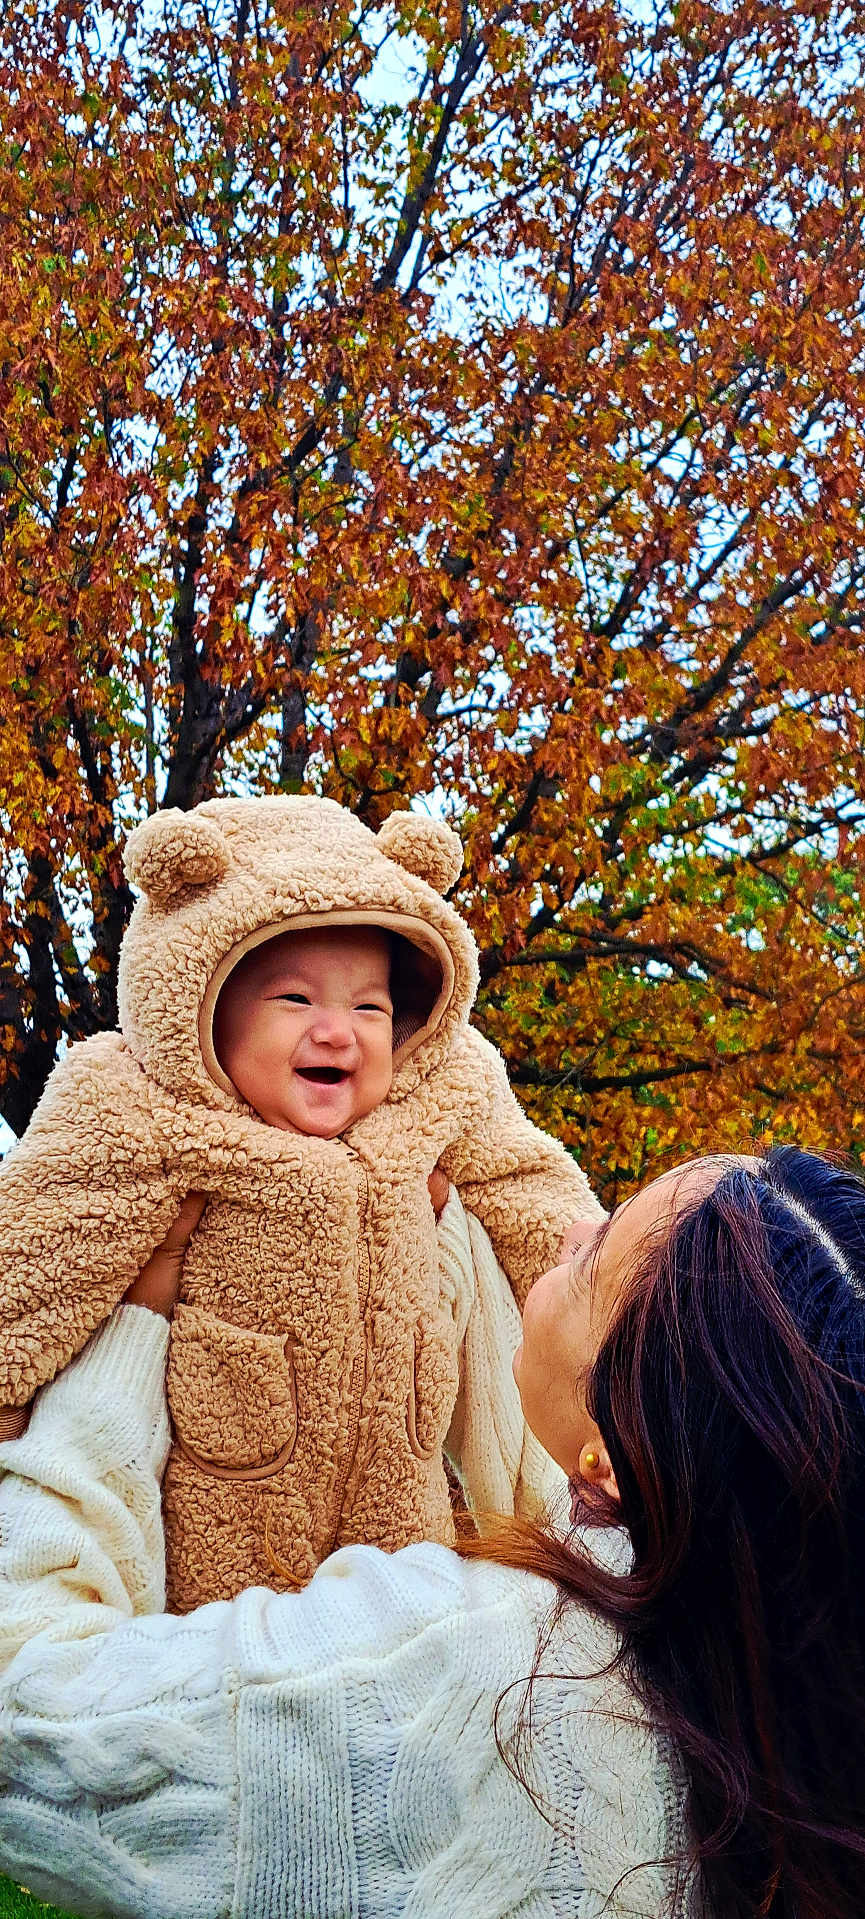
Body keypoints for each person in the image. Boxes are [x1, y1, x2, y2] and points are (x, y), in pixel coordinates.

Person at [2, 1146, 864, 1918]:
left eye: (597, 1251)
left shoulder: (455, 1678)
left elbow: (27, 1718)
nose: (571, 1225)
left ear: (612, 1456)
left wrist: (122, 1354)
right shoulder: (805, 1708)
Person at [0, 795, 596, 1609]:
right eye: (294, 1000)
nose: (337, 1031)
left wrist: (624, 1321)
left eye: (369, 1006)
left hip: (405, 1552)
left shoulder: (444, 1087)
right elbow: (33, 1264)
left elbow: (536, 1197)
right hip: (214, 1572)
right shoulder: (134, 1105)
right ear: (203, 1002)